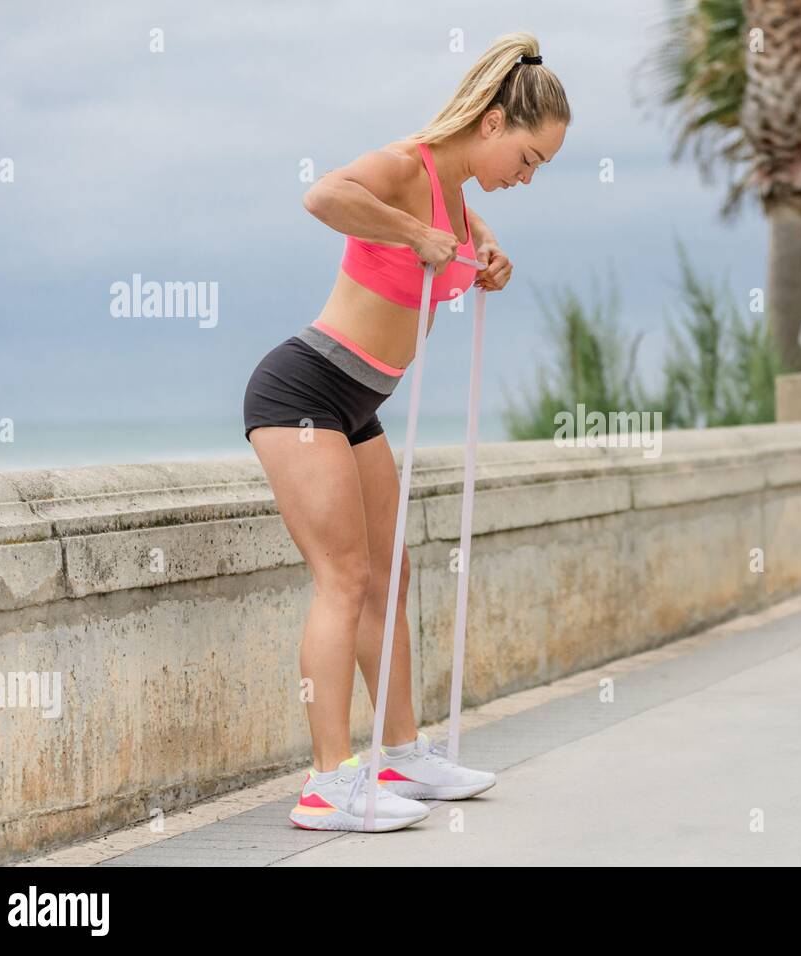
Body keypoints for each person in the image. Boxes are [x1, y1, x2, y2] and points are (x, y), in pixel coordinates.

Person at [241, 32, 571, 832]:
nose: (526, 178)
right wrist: (416, 236)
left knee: (391, 577)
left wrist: (487, 257)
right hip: (304, 389)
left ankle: (399, 754)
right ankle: (326, 785)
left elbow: (466, 241)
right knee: (344, 579)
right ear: (492, 124)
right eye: (527, 158)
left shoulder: (460, 199)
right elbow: (323, 197)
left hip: (360, 403)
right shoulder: (407, 166)